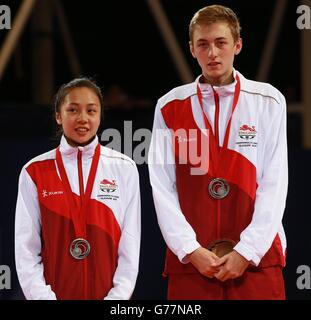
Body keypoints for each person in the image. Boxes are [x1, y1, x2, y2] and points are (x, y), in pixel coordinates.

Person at [148, 5, 288, 300]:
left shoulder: (269, 101)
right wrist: (189, 249)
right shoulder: (169, 106)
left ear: (237, 45)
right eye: (203, 44)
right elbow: (162, 188)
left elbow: (275, 183)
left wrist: (246, 251)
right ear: (191, 49)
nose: (212, 53)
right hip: (193, 264)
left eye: (220, 43)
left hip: (257, 261)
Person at [15, 77, 141, 300]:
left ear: (100, 116)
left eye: (91, 111)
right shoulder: (34, 172)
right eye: (72, 110)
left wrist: (117, 299)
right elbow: (26, 249)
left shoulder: (124, 168)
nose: (82, 118)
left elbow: (130, 247)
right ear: (58, 116)